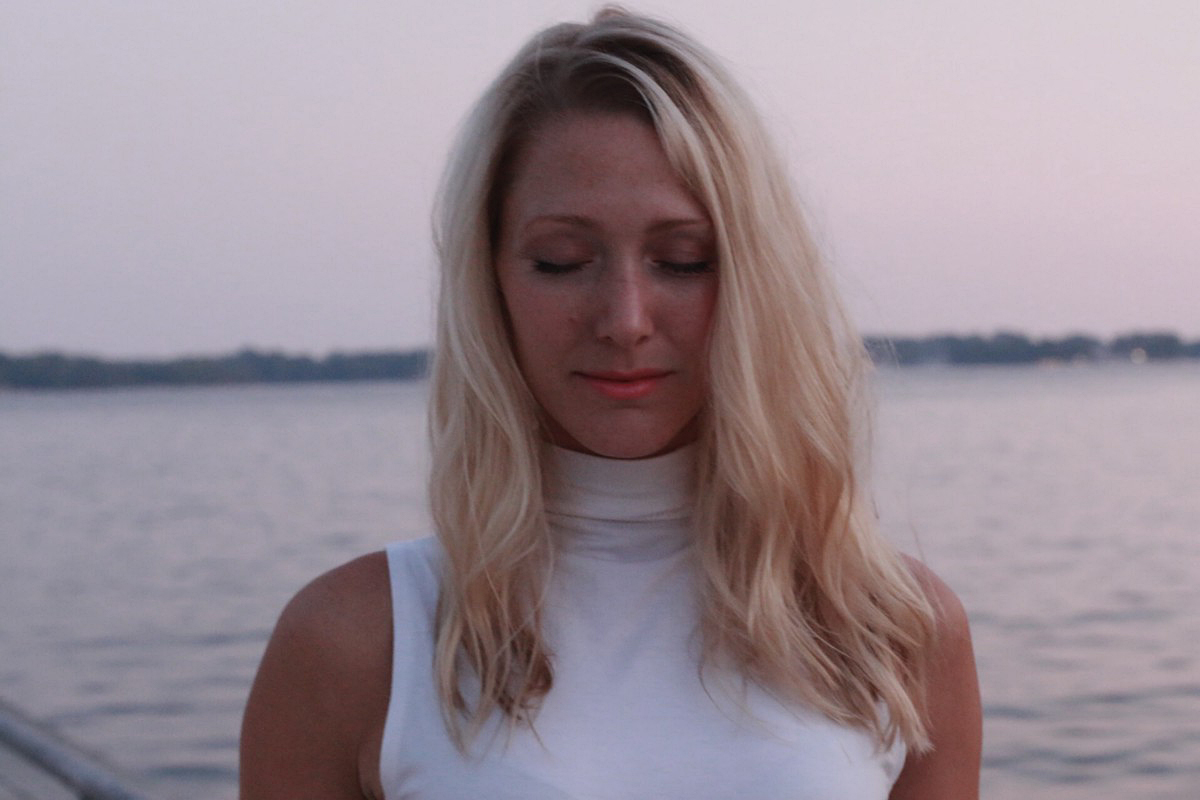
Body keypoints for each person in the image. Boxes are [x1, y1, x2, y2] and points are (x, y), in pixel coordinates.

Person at [240, 8, 981, 799]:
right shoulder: (356, 640)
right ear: (489, 280)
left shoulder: (893, 631)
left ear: (757, 282)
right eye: (562, 261)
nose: (625, 319)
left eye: (683, 260)